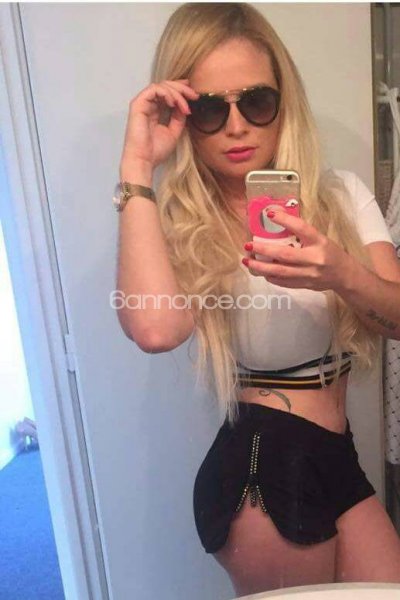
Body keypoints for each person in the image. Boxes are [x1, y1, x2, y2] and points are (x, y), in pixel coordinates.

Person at [115, 3, 400, 596]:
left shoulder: (341, 196)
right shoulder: (179, 218)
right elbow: (156, 331)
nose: (237, 126)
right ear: (184, 116)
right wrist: (138, 166)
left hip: (335, 452)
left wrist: (342, 273)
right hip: (264, 465)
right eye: (211, 109)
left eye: (257, 101)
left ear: (284, 100)